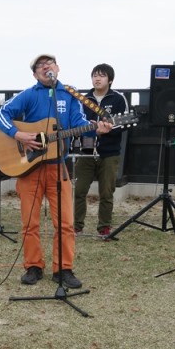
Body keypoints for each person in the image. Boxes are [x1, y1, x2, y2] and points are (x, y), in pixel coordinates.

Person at [0, 54, 112, 287]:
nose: (45, 66)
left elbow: (78, 124)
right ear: (35, 73)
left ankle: (64, 269)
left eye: (49, 63)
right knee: (29, 223)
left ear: (57, 68)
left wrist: (96, 129)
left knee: (65, 223)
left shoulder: (70, 94)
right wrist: (17, 134)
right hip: (29, 169)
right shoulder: (28, 94)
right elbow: (0, 114)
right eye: (40, 65)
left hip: (59, 167)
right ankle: (33, 266)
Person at [74, 64, 129, 237]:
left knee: (106, 192)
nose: (97, 79)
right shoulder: (82, 99)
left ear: (110, 80)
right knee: (79, 190)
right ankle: (76, 226)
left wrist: (109, 129)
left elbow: (124, 124)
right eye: (95, 76)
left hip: (109, 152)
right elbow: (75, 122)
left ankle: (104, 227)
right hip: (85, 151)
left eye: (102, 76)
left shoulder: (118, 99)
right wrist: (89, 128)